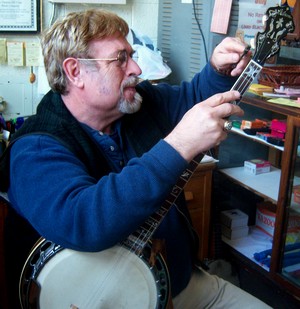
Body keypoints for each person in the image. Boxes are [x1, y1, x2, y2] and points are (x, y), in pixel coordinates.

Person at [0, 9, 271, 309]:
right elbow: (84, 220)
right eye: (120, 59)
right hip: (114, 300)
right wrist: (178, 144)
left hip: (180, 283)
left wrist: (218, 72)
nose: (137, 68)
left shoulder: (138, 103)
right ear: (75, 71)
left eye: (132, 55)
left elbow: (193, 96)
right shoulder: (36, 148)